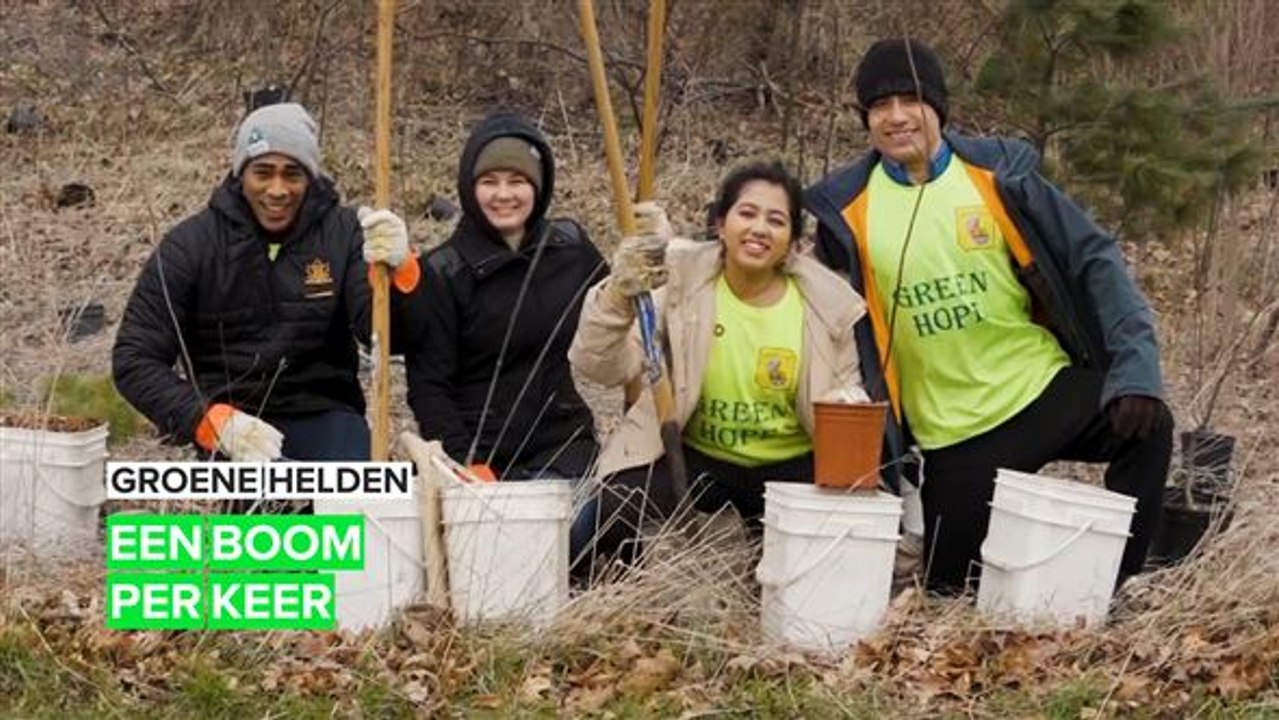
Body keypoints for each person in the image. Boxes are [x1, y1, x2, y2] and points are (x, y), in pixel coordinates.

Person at [804, 38, 1174, 594]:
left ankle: (1116, 585)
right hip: (954, 437)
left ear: (939, 109)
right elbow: (800, 293)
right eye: (881, 106)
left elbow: (1095, 257)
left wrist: (1136, 369)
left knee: (1148, 426)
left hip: (1040, 389)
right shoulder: (845, 211)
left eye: (912, 100)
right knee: (947, 595)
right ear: (866, 120)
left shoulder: (999, 176)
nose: (898, 116)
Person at [569, 160, 869, 572]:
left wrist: (848, 403)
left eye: (776, 220)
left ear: (794, 242)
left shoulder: (826, 307)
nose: (759, 229)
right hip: (697, 455)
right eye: (747, 214)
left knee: (816, 566)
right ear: (720, 224)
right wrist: (619, 295)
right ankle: (624, 597)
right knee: (614, 506)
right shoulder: (680, 285)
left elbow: (848, 395)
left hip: (791, 465)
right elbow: (597, 366)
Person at [113, 102, 417, 463]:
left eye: (292, 174)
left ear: (311, 177)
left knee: (353, 513)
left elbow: (386, 338)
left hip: (329, 417)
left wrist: (401, 274)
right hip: (236, 428)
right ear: (241, 173)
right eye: (263, 172)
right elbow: (134, 358)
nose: (277, 190)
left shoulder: (348, 235)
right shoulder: (191, 246)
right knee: (255, 519)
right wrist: (208, 421)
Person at [400, 111, 606, 481]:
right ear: (469, 186)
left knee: (584, 524)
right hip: (477, 450)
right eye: (489, 181)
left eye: (517, 180)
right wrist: (464, 462)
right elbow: (430, 386)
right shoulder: (443, 271)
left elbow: (623, 320)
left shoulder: (571, 248)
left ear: (539, 187)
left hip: (562, 440)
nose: (504, 194)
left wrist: (650, 261)